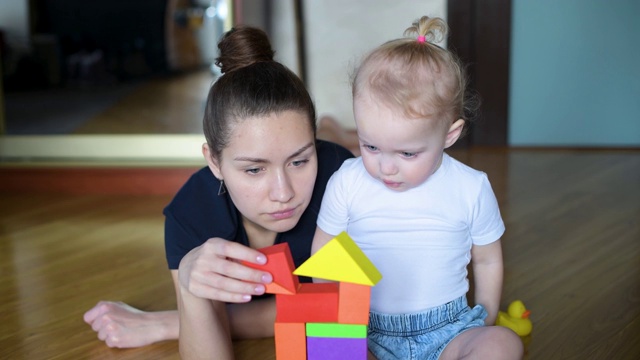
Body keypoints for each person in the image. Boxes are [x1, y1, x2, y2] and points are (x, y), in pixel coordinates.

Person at [83, 26, 354, 356]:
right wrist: (190, 291)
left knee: (343, 144)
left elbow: (345, 309)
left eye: (299, 161)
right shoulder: (190, 214)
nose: (283, 193)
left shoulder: (339, 178)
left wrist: (168, 323)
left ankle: (329, 128)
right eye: (254, 169)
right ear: (214, 161)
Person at [310, 16, 524, 359]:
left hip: (449, 329)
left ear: (449, 136)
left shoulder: (471, 188)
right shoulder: (347, 182)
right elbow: (323, 256)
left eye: (407, 152)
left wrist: (482, 319)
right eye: (370, 146)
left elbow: (486, 261)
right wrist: (339, 322)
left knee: (502, 343)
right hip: (364, 328)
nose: (386, 166)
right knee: (323, 348)